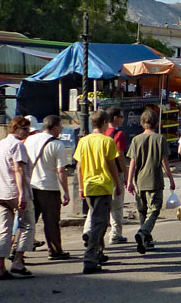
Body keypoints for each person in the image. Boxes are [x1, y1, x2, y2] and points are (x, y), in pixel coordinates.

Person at [0, 116, 35, 280]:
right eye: (25, 129)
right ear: (15, 129)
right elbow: (18, 170)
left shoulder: (1, 144)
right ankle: (18, 261)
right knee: (27, 225)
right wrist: (22, 194)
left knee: (3, 229)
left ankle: (1, 268)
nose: (27, 132)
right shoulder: (17, 145)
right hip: (13, 190)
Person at [74, 110, 122, 274]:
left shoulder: (83, 141)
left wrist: (81, 186)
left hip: (89, 186)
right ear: (104, 123)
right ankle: (90, 258)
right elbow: (112, 165)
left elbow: (79, 167)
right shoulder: (107, 141)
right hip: (103, 185)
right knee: (99, 223)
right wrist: (118, 183)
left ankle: (99, 253)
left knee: (96, 219)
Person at [125, 109, 175, 254]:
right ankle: (143, 232)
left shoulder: (136, 139)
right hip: (155, 180)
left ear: (142, 122)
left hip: (140, 181)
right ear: (156, 122)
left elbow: (132, 162)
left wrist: (129, 181)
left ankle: (146, 240)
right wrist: (171, 179)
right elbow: (164, 161)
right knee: (154, 210)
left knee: (142, 210)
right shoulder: (160, 139)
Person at [26, 115, 70, 261]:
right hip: (49, 187)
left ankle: (18, 249)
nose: (61, 129)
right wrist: (66, 191)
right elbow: (61, 171)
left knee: (29, 220)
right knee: (51, 221)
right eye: (60, 126)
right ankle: (55, 250)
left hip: (31, 185)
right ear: (55, 127)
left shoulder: (30, 140)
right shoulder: (57, 145)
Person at [102, 107, 129, 244]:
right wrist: (126, 173)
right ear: (115, 118)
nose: (123, 119)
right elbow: (120, 155)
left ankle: (89, 231)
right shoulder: (118, 134)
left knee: (99, 205)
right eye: (121, 116)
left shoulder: (102, 133)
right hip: (115, 173)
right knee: (116, 205)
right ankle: (115, 234)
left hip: (101, 172)